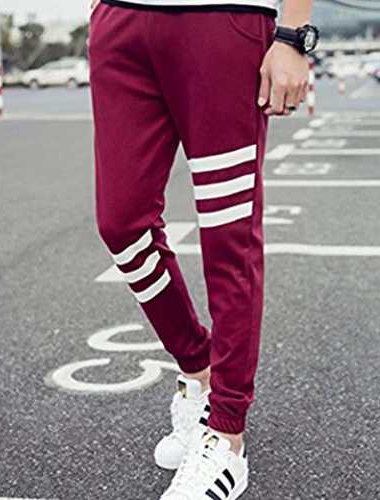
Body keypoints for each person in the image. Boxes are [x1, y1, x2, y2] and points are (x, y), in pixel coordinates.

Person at [88, 0, 318, 497]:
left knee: (227, 237)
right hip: (120, 23)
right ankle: (199, 369)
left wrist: (294, 33)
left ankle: (226, 434)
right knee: (121, 225)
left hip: (222, 19)